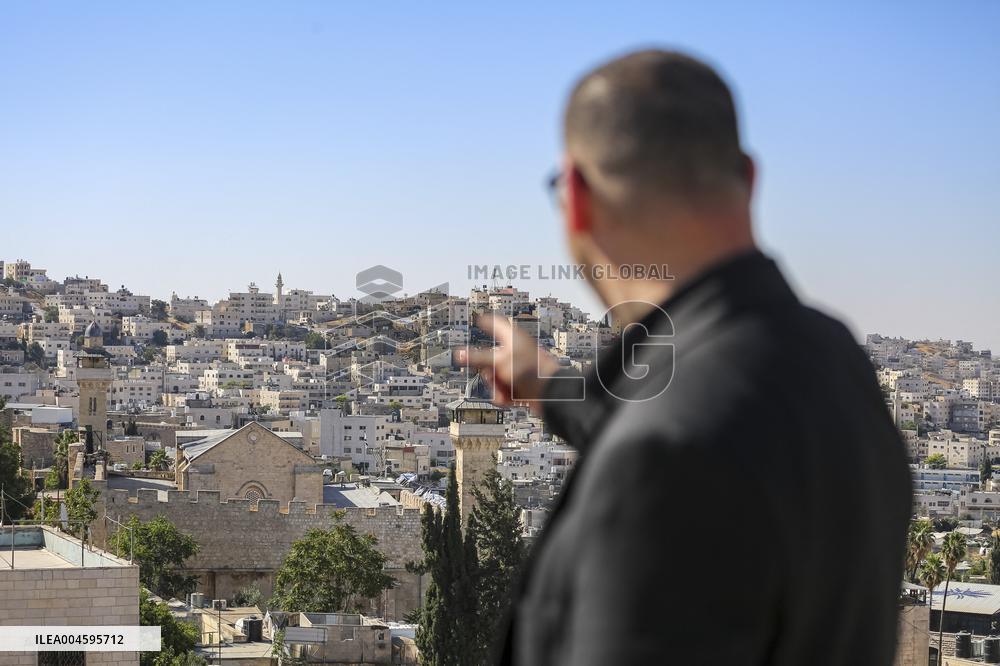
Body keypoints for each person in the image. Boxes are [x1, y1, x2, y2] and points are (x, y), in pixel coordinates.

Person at [462, 49, 912, 665]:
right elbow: (714, 419)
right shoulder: (834, 360)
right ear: (750, 178)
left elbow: (676, 449)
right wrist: (551, 386)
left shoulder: (662, 460)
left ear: (575, 197)